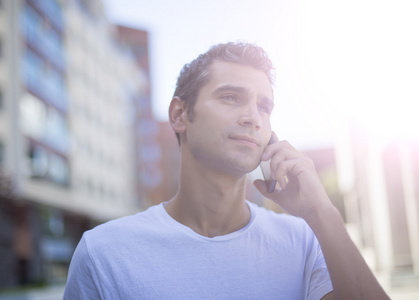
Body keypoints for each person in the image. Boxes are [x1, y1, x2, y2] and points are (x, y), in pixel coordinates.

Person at [64, 42, 389, 299]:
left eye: (264, 106)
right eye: (231, 97)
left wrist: (321, 213)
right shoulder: (105, 253)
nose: (253, 118)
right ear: (179, 115)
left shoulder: (302, 241)